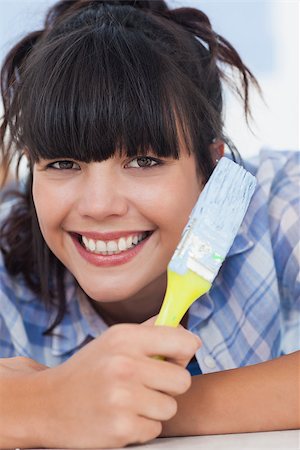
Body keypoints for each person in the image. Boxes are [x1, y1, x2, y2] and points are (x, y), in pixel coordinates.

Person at [0, 0, 299, 447]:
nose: (99, 206)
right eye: (63, 163)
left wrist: (151, 407)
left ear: (211, 168)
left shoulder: (278, 201)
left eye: (144, 160)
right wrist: (40, 404)